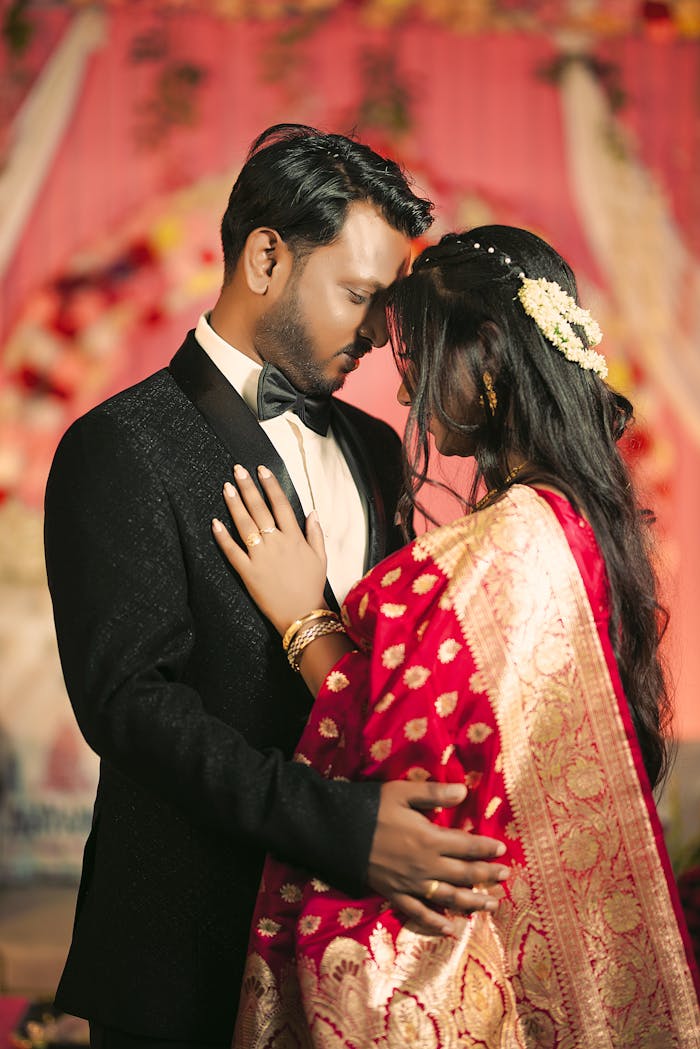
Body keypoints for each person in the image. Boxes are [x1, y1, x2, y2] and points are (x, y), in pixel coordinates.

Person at [43, 127, 509, 1049]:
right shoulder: (119, 445)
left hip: (346, 964)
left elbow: (385, 670)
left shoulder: (376, 451)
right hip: (185, 959)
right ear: (265, 257)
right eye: (359, 296)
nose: (381, 334)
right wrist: (342, 826)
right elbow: (131, 710)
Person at [213, 226, 700, 1047]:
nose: (406, 400)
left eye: (418, 369)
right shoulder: (579, 523)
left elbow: (405, 797)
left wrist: (304, 617)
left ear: (487, 355)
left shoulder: (496, 551)